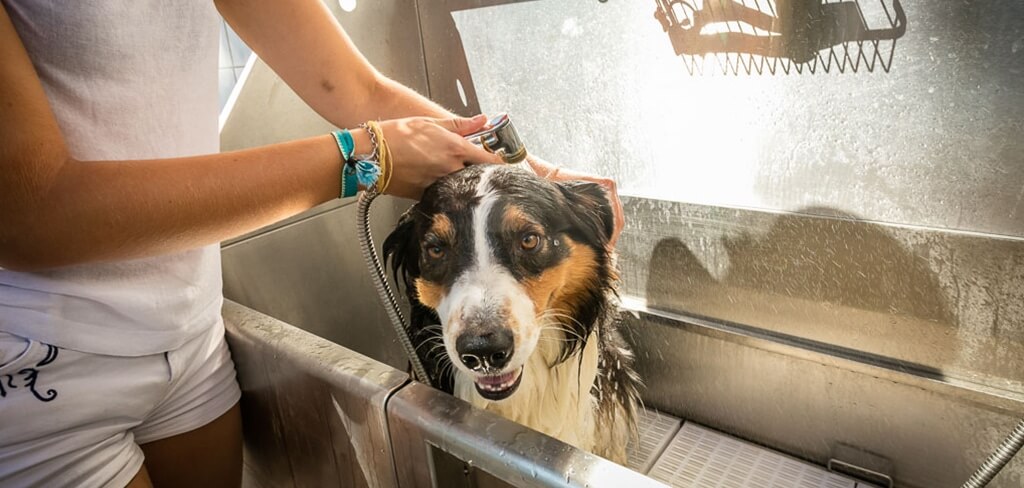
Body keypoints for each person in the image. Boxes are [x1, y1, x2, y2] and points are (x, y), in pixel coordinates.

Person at [0, 1, 623, 487]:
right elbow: (28, 212)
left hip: (190, 334)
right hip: (46, 366)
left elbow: (358, 91)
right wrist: (358, 159)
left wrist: (545, 182)